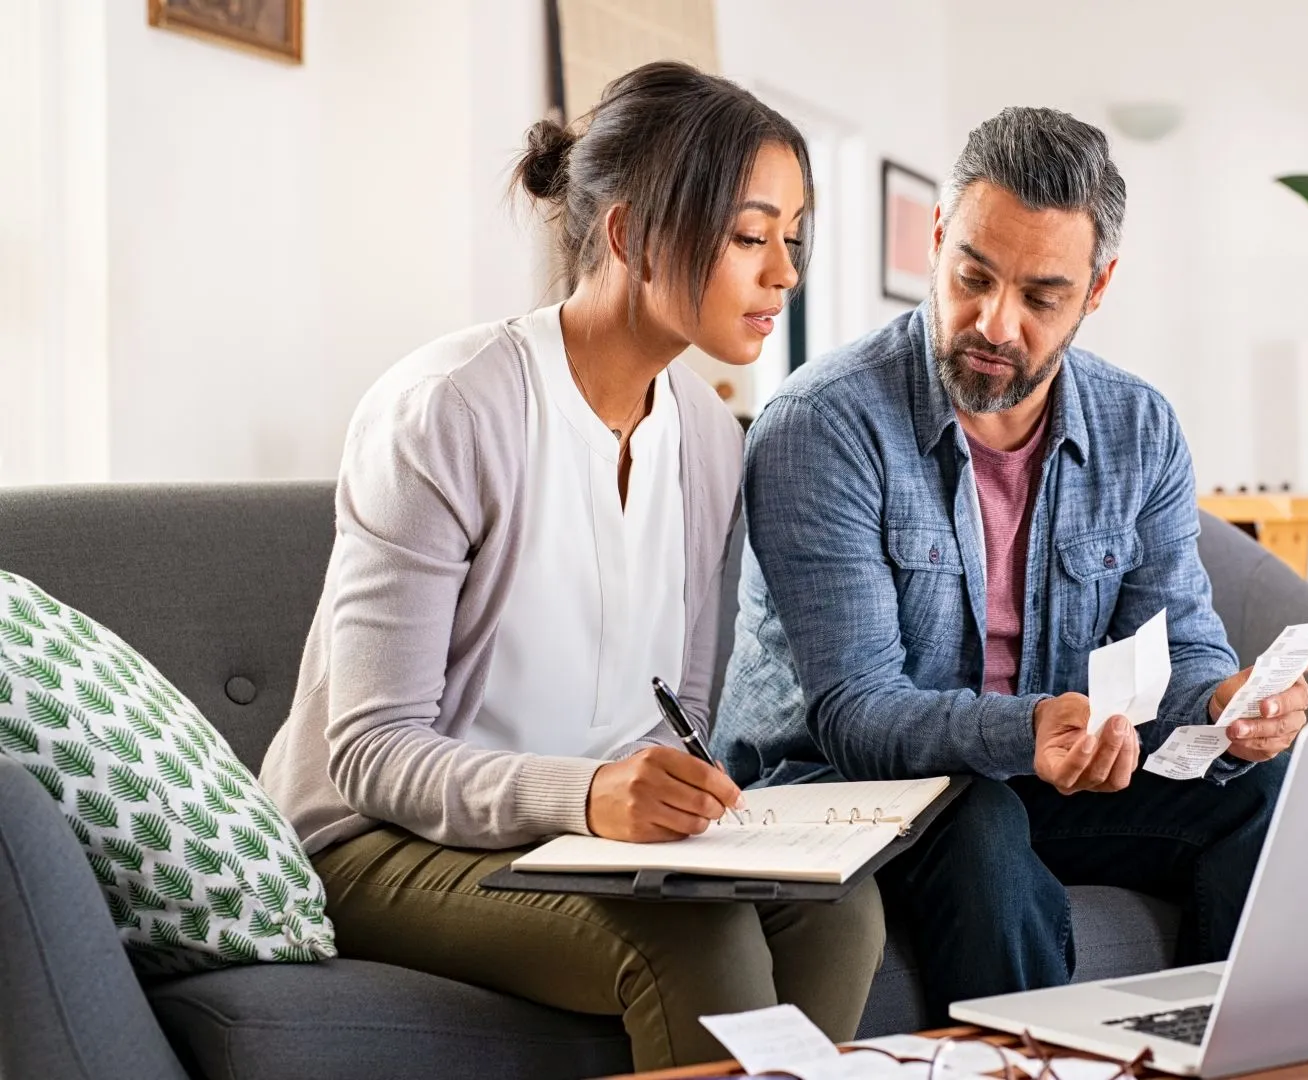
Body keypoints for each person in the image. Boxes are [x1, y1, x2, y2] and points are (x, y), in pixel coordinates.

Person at [260, 61, 884, 1070]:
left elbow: (673, 709)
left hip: (580, 841)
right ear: (633, 233)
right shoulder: (450, 410)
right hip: (377, 843)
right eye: (749, 235)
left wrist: (689, 804)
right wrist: (589, 796)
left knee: (840, 909)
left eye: (793, 238)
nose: (783, 273)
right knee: (700, 934)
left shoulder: (715, 441)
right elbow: (370, 752)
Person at [714, 106, 1308, 1020]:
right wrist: (1031, 729)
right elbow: (854, 713)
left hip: (1037, 771)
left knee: (1262, 792)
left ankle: (1209, 1051)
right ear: (940, 240)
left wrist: (1226, 704)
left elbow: (1182, 644)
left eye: (1041, 297)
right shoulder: (825, 424)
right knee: (983, 822)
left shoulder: (1139, 427)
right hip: (837, 788)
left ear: (1096, 288)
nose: (995, 323)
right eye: (973, 277)